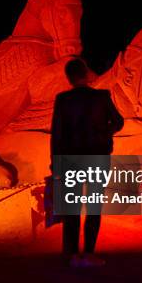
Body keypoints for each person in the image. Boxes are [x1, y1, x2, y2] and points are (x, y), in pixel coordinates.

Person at [50, 58, 123, 267]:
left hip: (70, 160)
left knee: (71, 208)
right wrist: (103, 133)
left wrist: (55, 164)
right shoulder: (101, 96)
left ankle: (72, 255)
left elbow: (57, 134)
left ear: (69, 78)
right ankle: (89, 253)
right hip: (97, 158)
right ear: (86, 74)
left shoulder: (62, 99)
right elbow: (118, 122)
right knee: (93, 206)